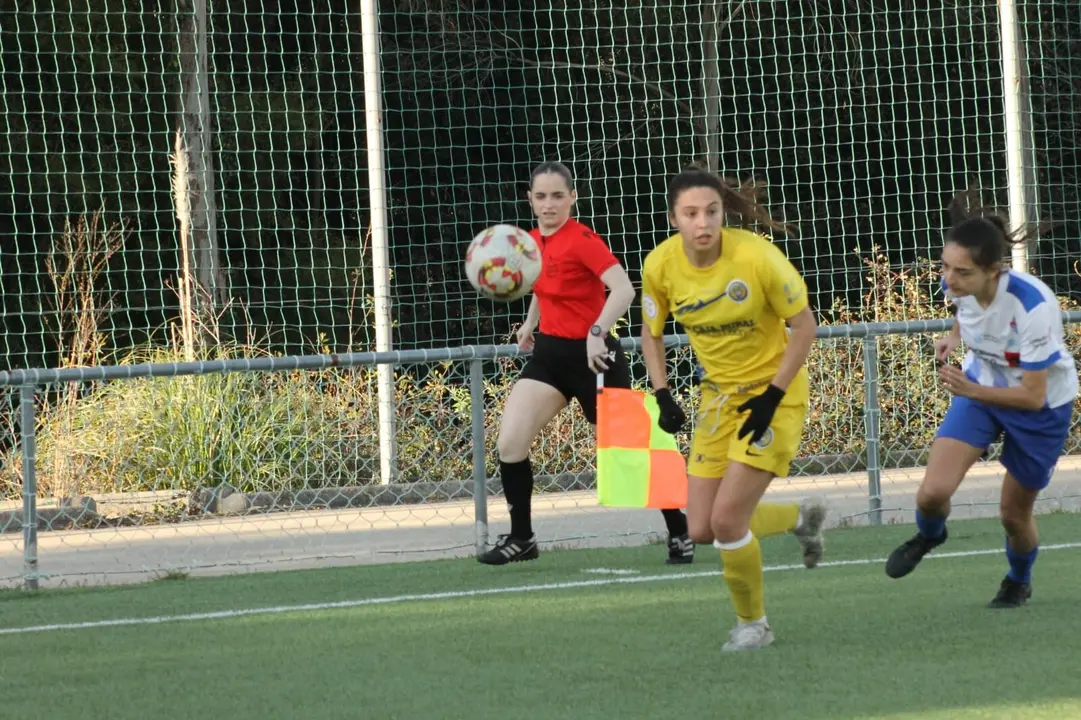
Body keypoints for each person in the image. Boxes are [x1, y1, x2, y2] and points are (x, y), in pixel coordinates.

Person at [639, 166, 828, 652]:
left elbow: (804, 327)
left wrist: (772, 396)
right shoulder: (660, 266)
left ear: (723, 212)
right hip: (718, 399)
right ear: (673, 219)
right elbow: (651, 333)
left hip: (775, 396)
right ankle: (797, 519)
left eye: (711, 211)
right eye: (690, 214)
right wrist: (662, 393)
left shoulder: (758, 257)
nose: (702, 223)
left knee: (726, 522)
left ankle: (754, 625)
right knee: (701, 528)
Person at [478, 161, 694, 566]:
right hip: (549, 358)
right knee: (510, 444)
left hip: (596, 360)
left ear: (572, 198)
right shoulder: (529, 243)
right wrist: (529, 323)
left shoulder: (582, 240)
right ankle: (522, 539)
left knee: (632, 451)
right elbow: (545, 286)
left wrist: (597, 333)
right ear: (530, 200)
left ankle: (679, 530)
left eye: (558, 196)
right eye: (540, 196)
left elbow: (624, 289)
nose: (549, 204)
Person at [884, 192, 1078, 608]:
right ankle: (931, 534)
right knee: (931, 494)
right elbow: (963, 309)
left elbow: (1032, 395)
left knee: (1012, 516)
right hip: (981, 391)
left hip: (1040, 410)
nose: (949, 279)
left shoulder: (1032, 306)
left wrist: (969, 390)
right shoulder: (956, 284)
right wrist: (954, 337)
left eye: (962, 272)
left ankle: (1018, 579)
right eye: (945, 266)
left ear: (994, 271)